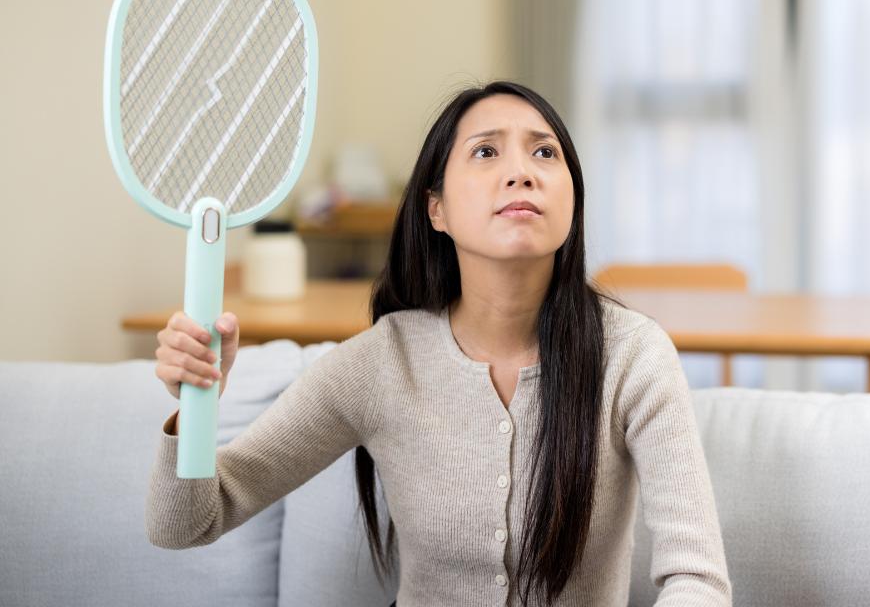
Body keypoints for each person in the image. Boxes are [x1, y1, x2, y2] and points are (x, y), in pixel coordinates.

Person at [147, 79, 731, 606]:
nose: (521, 171)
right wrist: (194, 408)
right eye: (486, 151)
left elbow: (697, 581)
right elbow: (187, 524)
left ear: (571, 203)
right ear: (437, 210)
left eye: (544, 152)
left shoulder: (633, 355)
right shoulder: (381, 362)